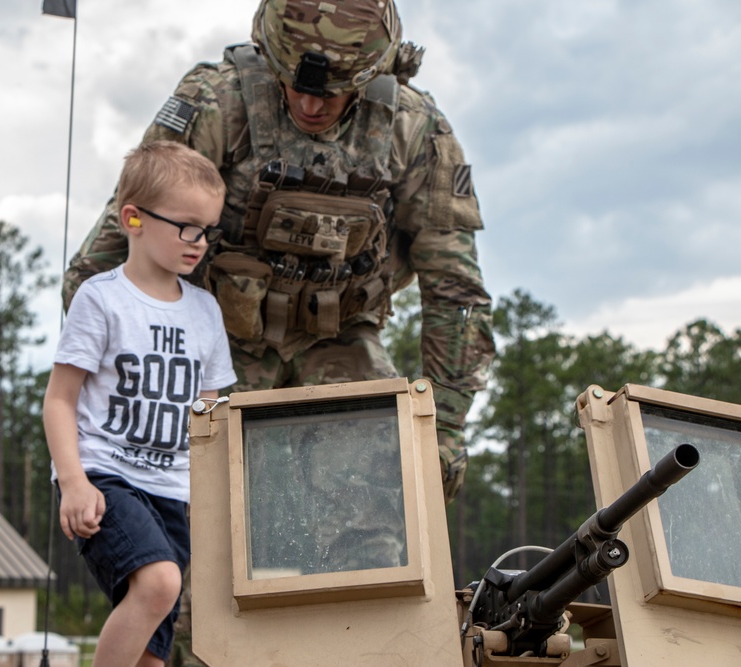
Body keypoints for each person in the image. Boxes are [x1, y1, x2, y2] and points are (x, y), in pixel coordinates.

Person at [63, 1, 496, 663]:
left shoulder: (415, 131)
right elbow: (104, 261)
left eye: (332, 92)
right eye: (295, 83)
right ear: (268, 56)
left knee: (386, 530)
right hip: (215, 345)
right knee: (193, 552)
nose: (311, 104)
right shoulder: (218, 103)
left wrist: (450, 427)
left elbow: (456, 292)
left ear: (376, 74)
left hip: (341, 341)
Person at [43, 141, 237, 667]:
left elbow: (208, 419)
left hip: (174, 492)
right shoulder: (101, 299)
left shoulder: (205, 312)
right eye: (186, 226)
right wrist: (74, 481)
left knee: (154, 648)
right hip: (107, 477)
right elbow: (60, 400)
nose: (199, 242)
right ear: (133, 218)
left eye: (208, 230)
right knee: (159, 582)